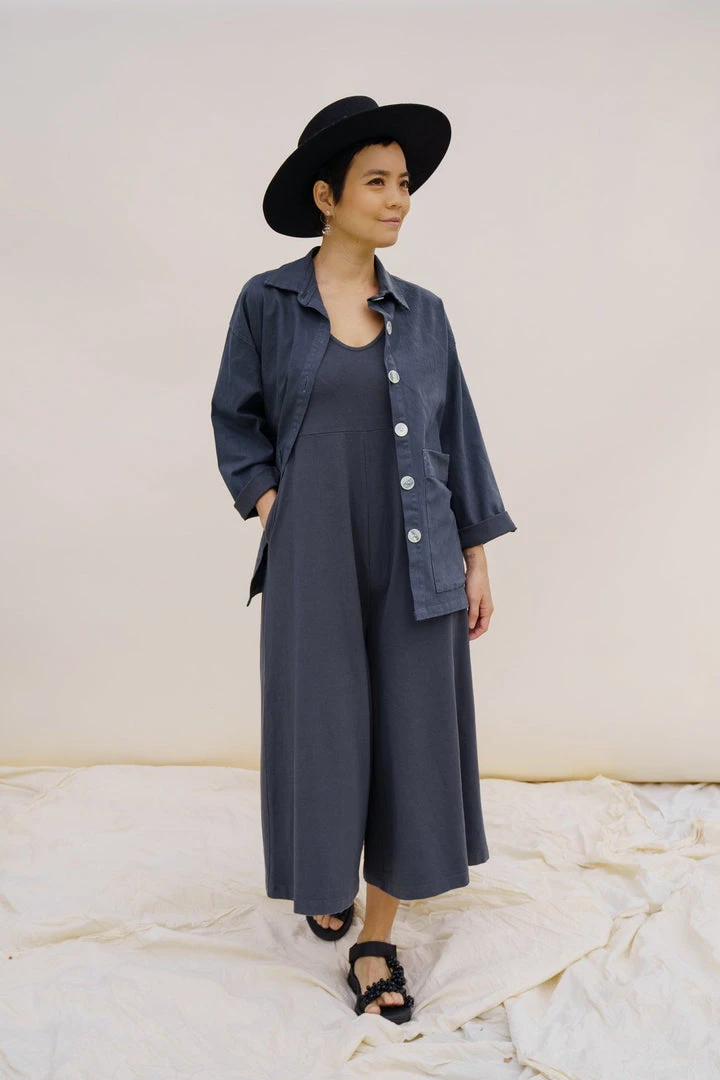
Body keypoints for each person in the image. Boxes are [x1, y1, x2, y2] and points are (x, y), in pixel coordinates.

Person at [211, 96, 517, 1023]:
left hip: (419, 548)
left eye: (404, 183)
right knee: (323, 728)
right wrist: (277, 507)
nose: (397, 200)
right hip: (314, 552)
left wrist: (475, 553)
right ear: (326, 196)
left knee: (412, 735)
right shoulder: (268, 302)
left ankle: (376, 940)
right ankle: (324, 877)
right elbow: (236, 421)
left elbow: (457, 435)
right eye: (377, 182)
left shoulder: (425, 315)